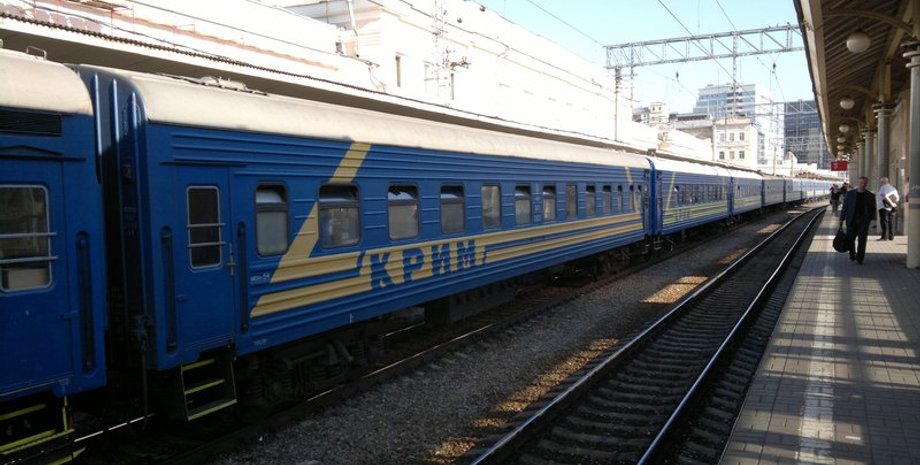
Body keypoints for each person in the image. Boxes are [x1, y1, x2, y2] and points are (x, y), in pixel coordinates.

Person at [840, 176, 876, 264]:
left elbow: (873, 208)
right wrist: (841, 218)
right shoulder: (850, 194)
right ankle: (852, 254)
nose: (862, 184)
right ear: (858, 183)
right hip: (851, 220)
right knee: (850, 239)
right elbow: (845, 207)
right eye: (861, 183)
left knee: (862, 240)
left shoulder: (870, 196)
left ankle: (860, 258)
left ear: (867, 184)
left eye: (864, 183)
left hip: (864, 221)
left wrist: (871, 218)